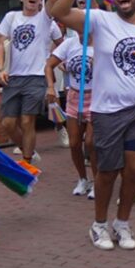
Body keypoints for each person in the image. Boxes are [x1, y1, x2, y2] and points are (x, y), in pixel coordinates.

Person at [51, 0, 135, 251]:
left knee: (132, 170)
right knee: (106, 171)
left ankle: (122, 223)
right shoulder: (100, 20)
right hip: (106, 111)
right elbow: (58, 11)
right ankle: (99, 225)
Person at [0, 0, 63, 164]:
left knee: (26, 121)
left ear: (40, 0)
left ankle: (26, 161)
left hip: (36, 77)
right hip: (12, 77)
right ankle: (27, 149)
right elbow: (1, 43)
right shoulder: (11, 17)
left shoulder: (45, 19)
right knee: (8, 123)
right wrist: (0, 69)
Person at [45, 18, 97, 198]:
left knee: (91, 143)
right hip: (74, 97)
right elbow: (49, 64)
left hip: (96, 98)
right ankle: (83, 179)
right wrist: (51, 86)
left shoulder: (102, 44)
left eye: (86, 30)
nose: (82, 34)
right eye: (79, 30)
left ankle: (98, 181)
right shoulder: (69, 44)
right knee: (74, 143)